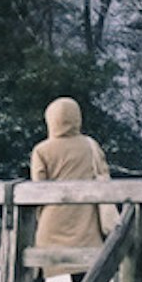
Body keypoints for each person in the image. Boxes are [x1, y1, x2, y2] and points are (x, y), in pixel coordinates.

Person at [30, 96, 111, 248]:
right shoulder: (91, 145)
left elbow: (38, 190)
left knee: (49, 266)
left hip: (51, 225)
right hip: (86, 225)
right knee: (89, 269)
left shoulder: (41, 150)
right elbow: (105, 181)